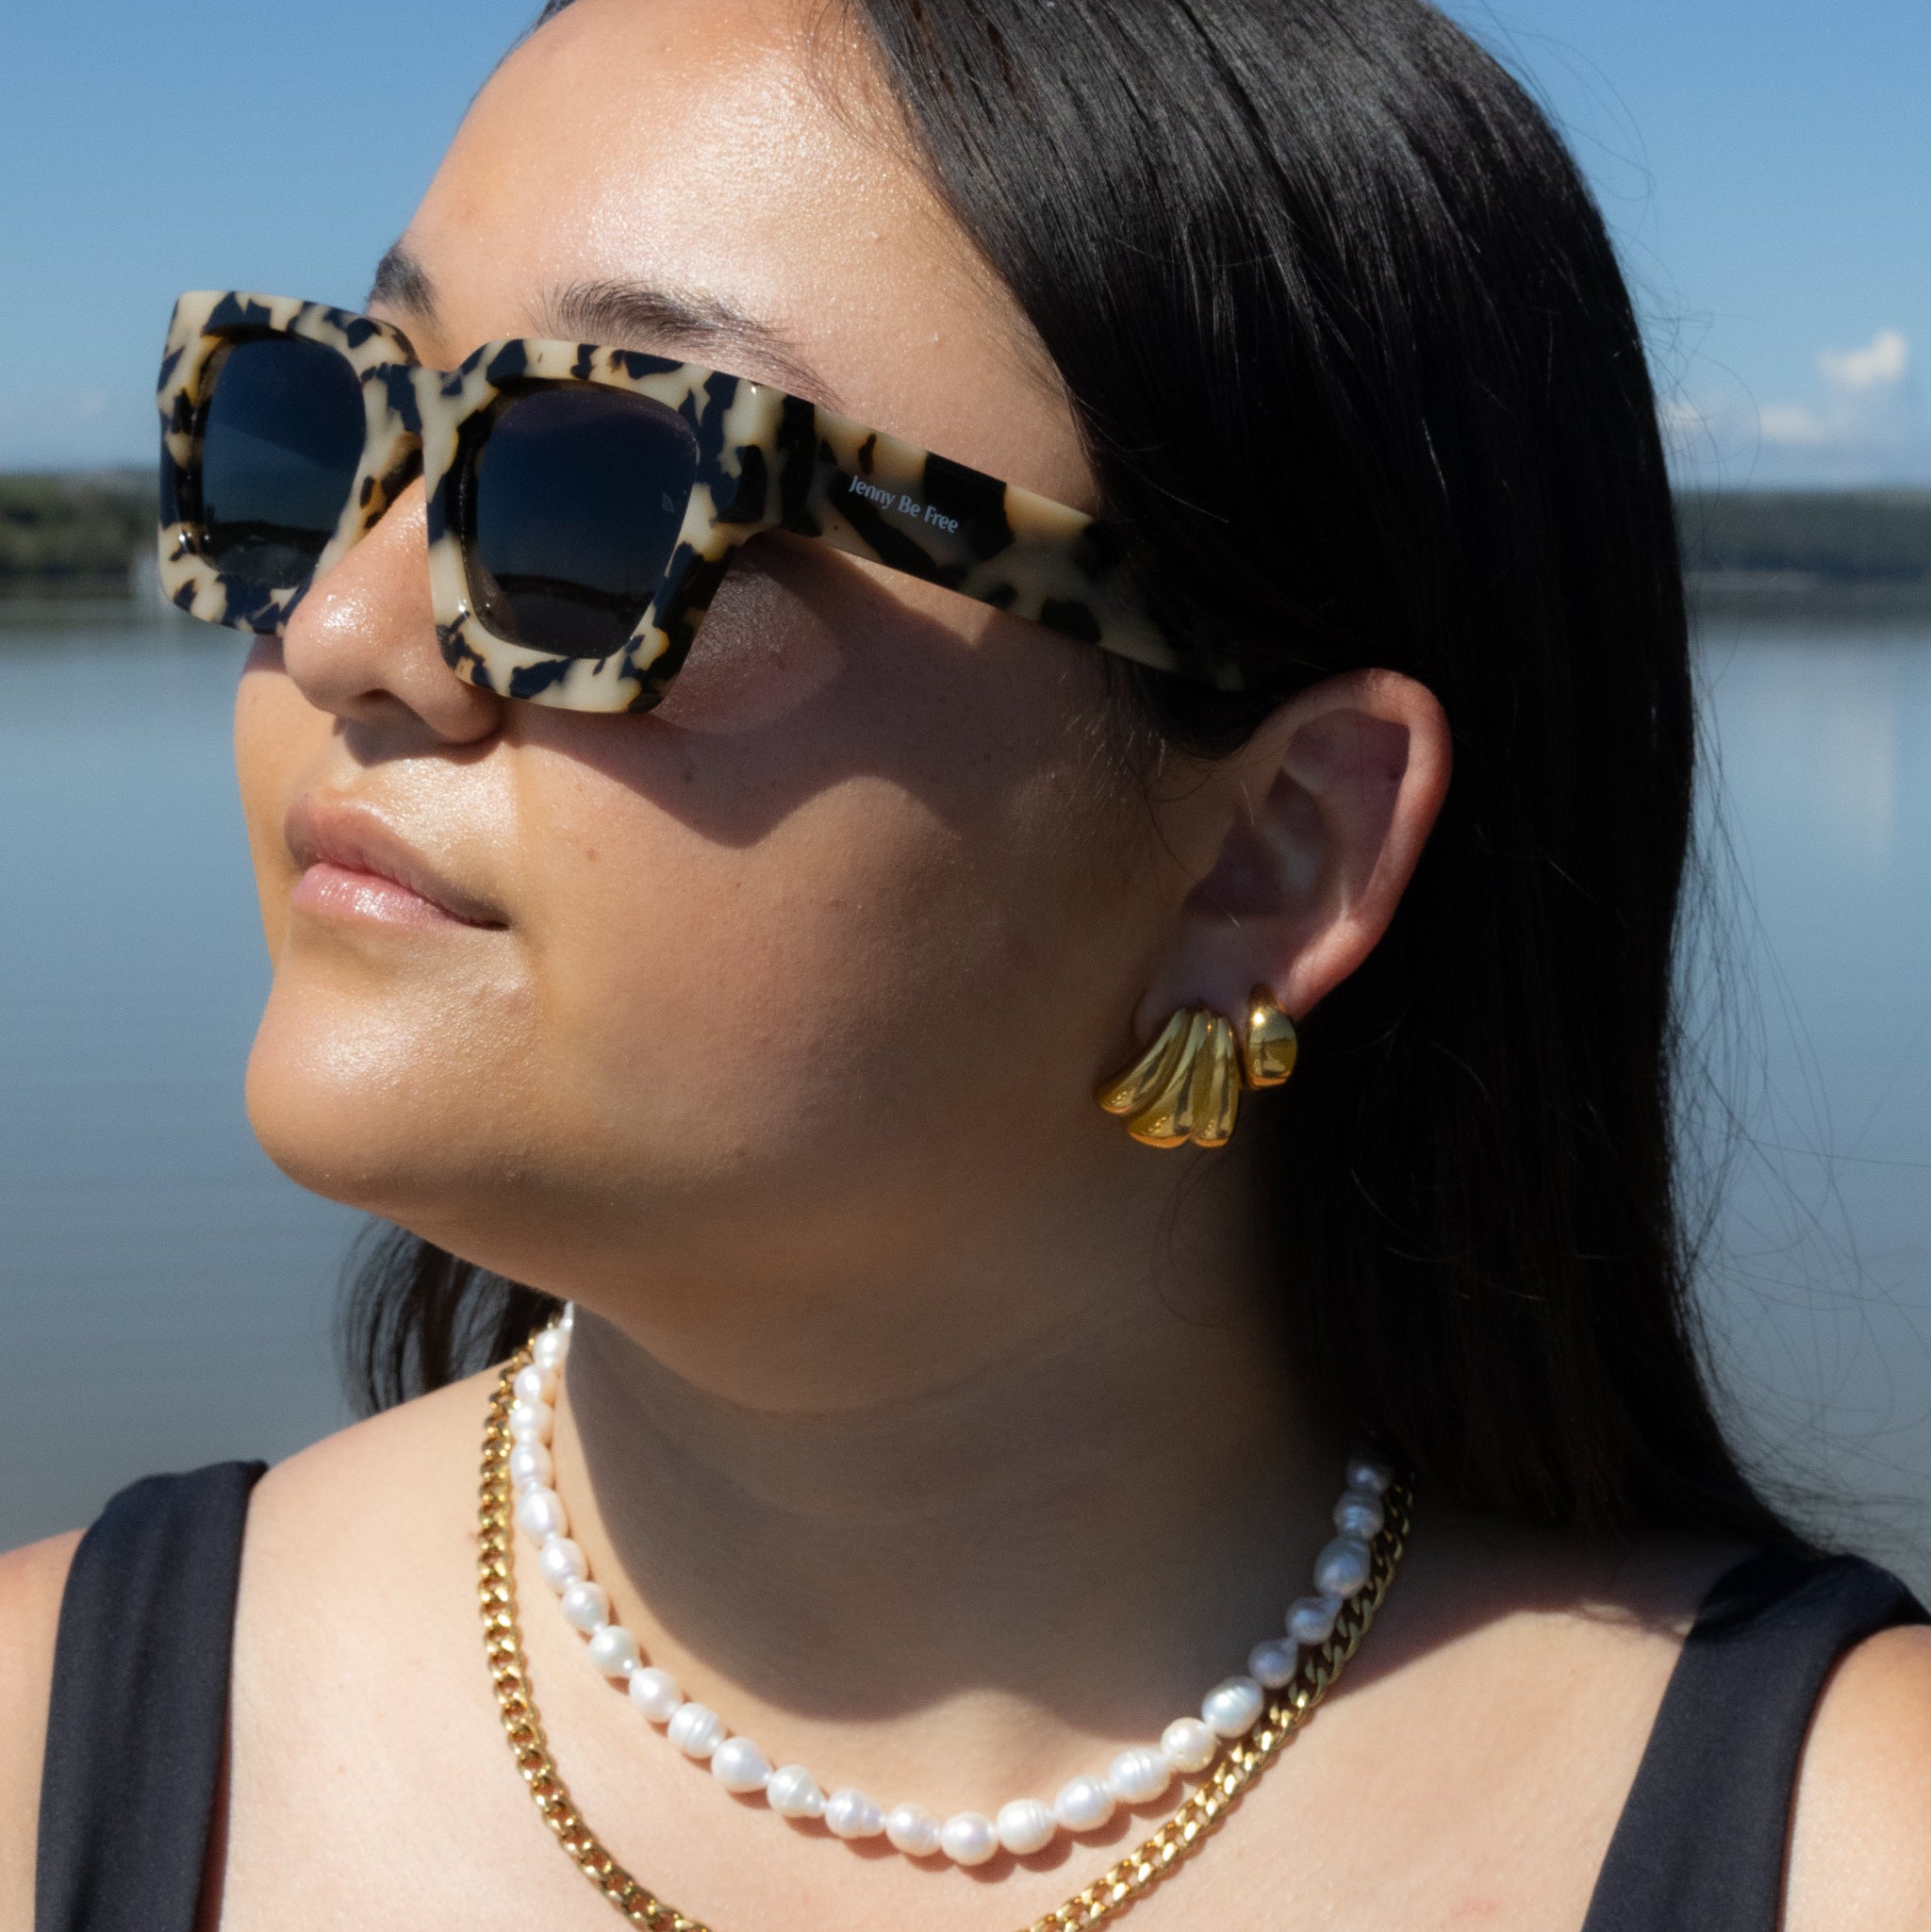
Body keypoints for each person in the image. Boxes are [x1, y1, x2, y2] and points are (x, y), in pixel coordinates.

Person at [5, 0, 1928, 1925]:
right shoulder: (41, 1758)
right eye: (323, 430)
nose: (342, 621)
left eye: (603, 491)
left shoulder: (1848, 1852)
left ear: (1274, 848)